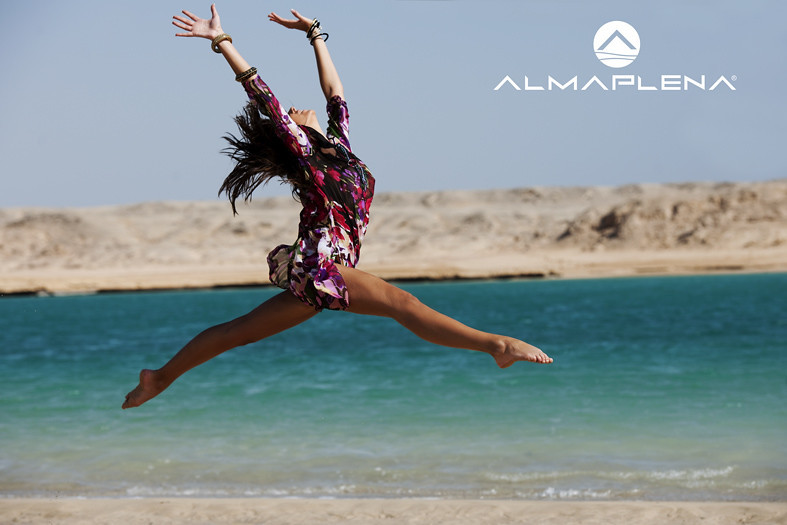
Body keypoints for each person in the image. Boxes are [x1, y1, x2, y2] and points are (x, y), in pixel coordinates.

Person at [122, 4, 552, 410]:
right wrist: (221, 40)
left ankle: (159, 378)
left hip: (331, 267)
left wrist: (314, 35)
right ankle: (497, 346)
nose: (295, 108)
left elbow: (335, 92)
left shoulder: (339, 147)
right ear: (291, 132)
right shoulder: (304, 153)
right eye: (291, 114)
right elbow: (261, 93)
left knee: (239, 332)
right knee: (401, 302)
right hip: (320, 264)